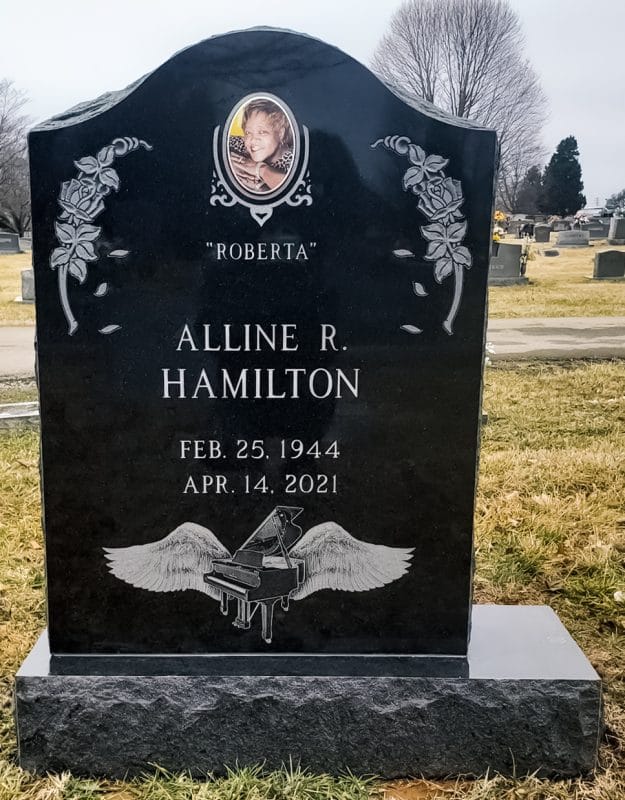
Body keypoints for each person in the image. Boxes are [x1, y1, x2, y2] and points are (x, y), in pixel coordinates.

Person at [229, 98, 294, 193]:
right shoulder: (239, 144)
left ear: (281, 133)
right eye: (248, 132)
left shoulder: (294, 160)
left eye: (262, 132)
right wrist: (230, 163)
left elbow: (293, 188)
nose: (253, 139)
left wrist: (261, 170)